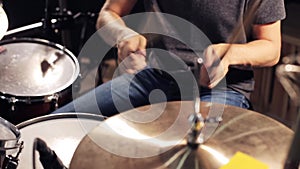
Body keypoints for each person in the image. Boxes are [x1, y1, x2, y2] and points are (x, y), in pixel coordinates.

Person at [52, 0, 285, 117]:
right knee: (58, 125)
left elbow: (271, 48)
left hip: (222, 88)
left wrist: (230, 53)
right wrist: (123, 35)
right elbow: (108, 13)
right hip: (154, 76)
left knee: (192, 155)